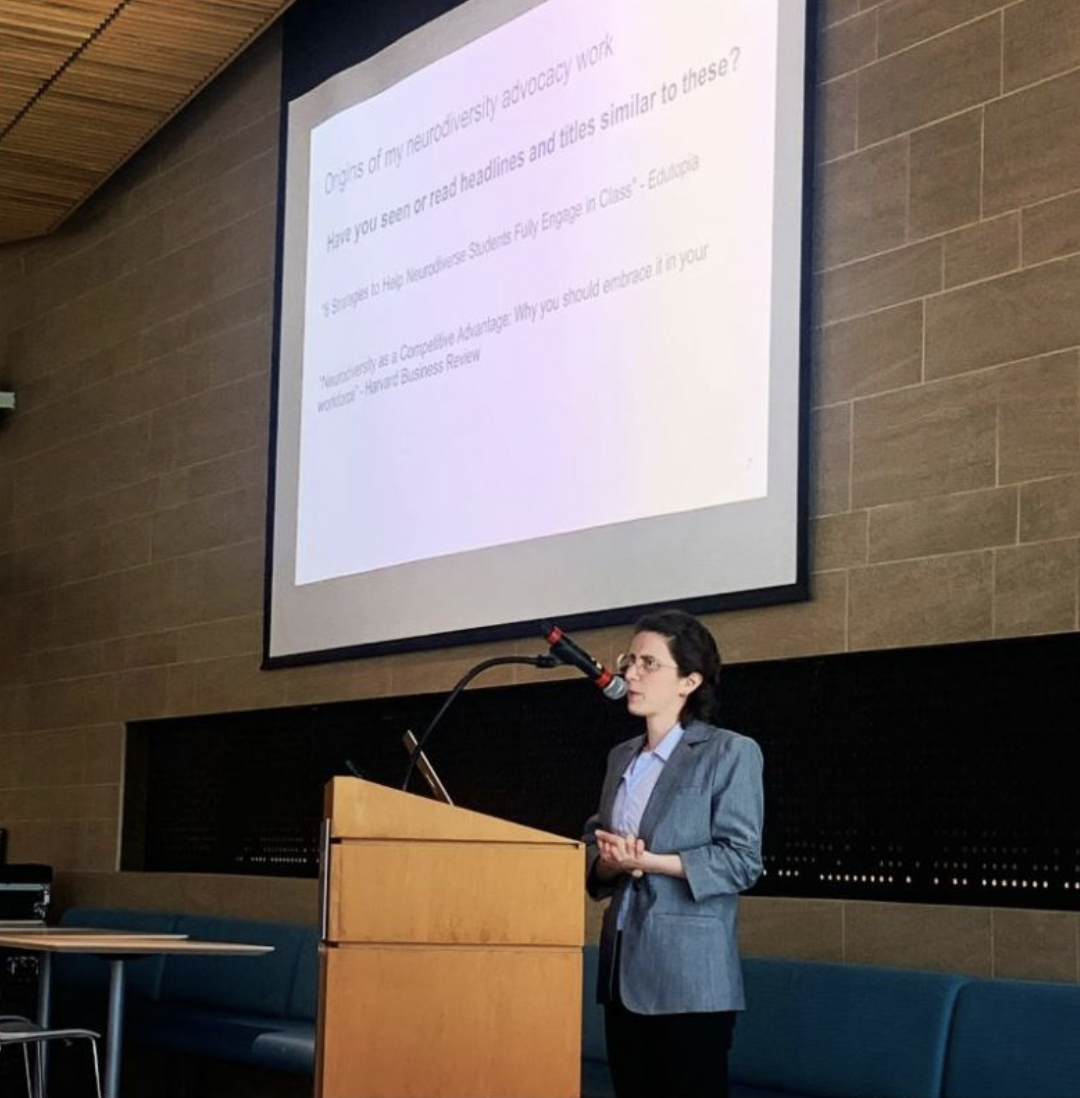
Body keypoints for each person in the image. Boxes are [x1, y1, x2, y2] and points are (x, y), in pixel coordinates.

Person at [583, 608, 764, 1098]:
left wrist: (649, 862)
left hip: (690, 979)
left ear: (689, 681)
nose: (630, 674)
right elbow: (596, 841)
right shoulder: (621, 757)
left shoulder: (730, 752)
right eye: (630, 661)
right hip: (622, 970)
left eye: (649, 663)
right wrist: (608, 861)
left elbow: (742, 860)